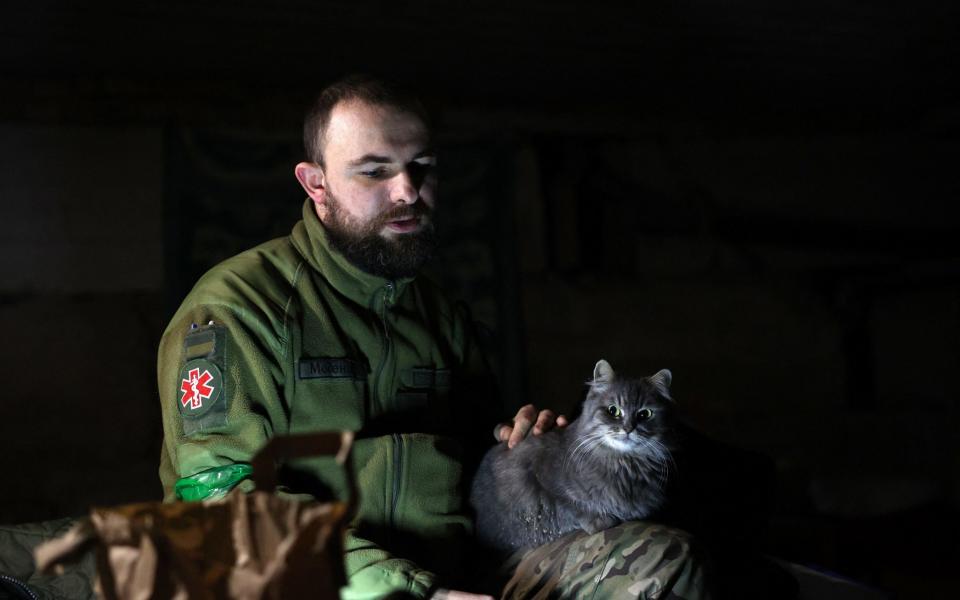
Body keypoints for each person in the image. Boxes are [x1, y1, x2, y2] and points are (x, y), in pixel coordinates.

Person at [157, 75, 713, 599]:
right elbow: (220, 508)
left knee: (662, 562)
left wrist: (522, 440)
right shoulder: (237, 310)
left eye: (421, 165)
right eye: (374, 172)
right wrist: (408, 588)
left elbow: (480, 454)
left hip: (456, 567)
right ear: (316, 184)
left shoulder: (438, 314)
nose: (408, 190)